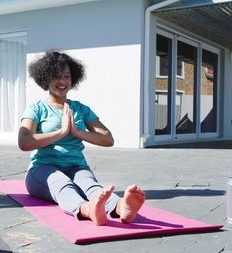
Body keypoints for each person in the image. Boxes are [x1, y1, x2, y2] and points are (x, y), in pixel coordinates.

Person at [18, 51, 145, 226]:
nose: (62, 81)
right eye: (56, 76)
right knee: (62, 184)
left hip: (76, 166)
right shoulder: (36, 108)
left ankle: (121, 207)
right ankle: (87, 209)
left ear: (73, 79)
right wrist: (61, 132)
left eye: (67, 76)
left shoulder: (81, 109)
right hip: (42, 169)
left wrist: (78, 132)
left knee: (91, 186)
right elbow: (24, 142)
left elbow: (108, 139)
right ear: (45, 78)